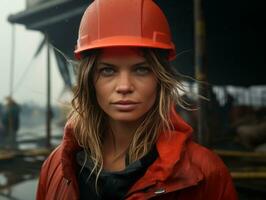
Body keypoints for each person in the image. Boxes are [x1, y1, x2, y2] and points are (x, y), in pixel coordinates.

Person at [36, 0, 238, 199]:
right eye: (108, 70)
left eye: (141, 69)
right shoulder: (55, 167)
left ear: (160, 79)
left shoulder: (208, 172)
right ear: (89, 81)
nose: (124, 86)